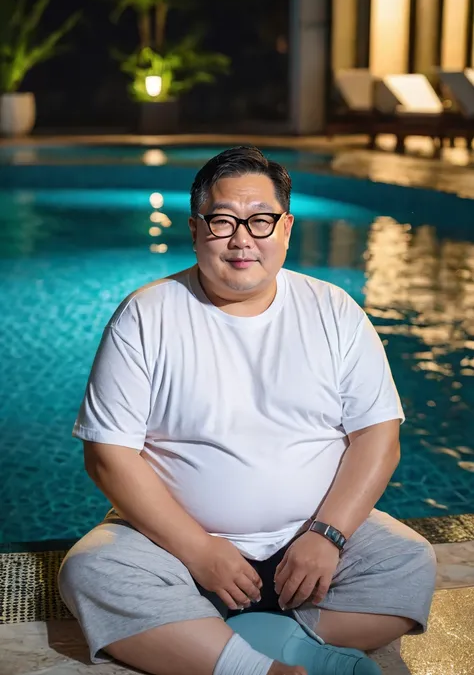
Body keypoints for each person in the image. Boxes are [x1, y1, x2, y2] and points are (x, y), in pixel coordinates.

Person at [58, 146, 436, 675]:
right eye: (222, 221)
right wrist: (199, 550)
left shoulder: (333, 310)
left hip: (308, 537)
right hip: (174, 544)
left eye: (260, 221)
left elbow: (378, 436)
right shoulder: (147, 315)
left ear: (285, 228)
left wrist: (326, 536)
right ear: (194, 229)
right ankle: (263, 667)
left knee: (408, 561)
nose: (242, 239)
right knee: (93, 570)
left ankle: (237, 639)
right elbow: (107, 456)